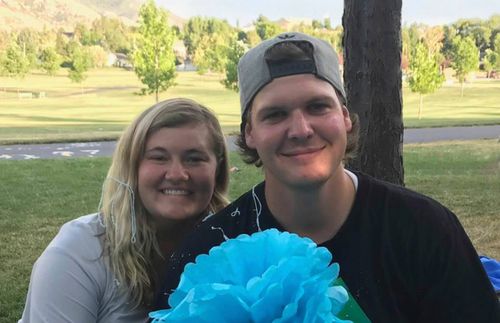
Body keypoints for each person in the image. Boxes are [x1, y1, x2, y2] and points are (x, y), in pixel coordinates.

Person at [159, 32, 500, 321]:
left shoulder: (425, 231)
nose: (301, 129)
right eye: (275, 114)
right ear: (250, 133)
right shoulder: (213, 253)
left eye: (317, 107)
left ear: (346, 118)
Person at [19, 98, 230, 322]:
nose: (177, 174)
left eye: (194, 159)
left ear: (217, 170)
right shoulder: (77, 253)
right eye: (158, 157)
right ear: (131, 167)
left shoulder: (232, 247)